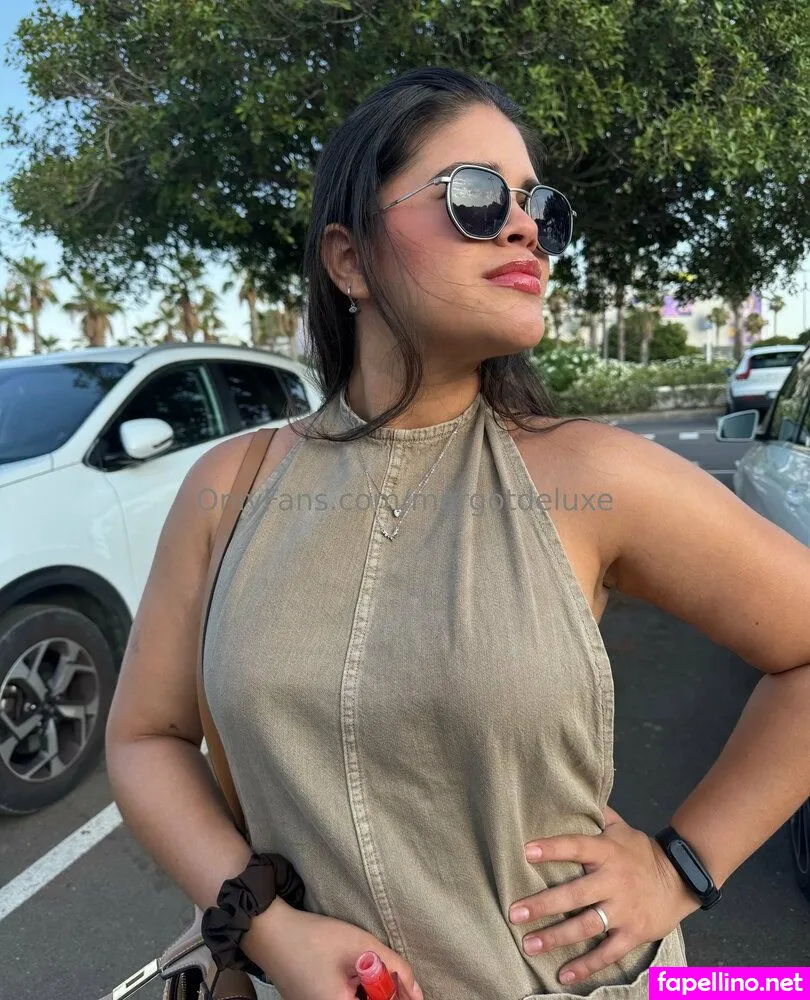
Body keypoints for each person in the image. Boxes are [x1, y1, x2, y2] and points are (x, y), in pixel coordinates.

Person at [106, 66, 810, 1000]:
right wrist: (269, 930)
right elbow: (147, 737)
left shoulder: (597, 476)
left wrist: (682, 867)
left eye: (541, 209)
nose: (525, 229)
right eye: (474, 197)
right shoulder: (227, 487)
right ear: (349, 260)